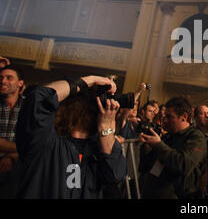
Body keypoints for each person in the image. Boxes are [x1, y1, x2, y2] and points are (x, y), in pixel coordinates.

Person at [15, 75, 127, 198]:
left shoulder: (97, 148)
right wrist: (91, 80)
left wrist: (106, 127)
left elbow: (115, 175)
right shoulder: (45, 140)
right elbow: (39, 97)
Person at [138, 96, 206, 199]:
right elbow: (146, 167)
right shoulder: (168, 136)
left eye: (169, 117)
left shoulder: (196, 137)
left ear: (184, 117)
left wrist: (158, 145)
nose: (164, 120)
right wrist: (147, 146)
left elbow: (184, 165)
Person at [0, 63, 24, 198]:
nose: (3, 81)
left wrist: (13, 156)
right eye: (1, 77)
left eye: (9, 78)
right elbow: (29, 145)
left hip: (18, 172)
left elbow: (36, 141)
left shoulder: (30, 107)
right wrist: (20, 149)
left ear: (20, 83)